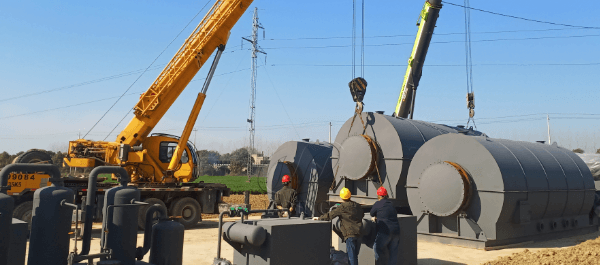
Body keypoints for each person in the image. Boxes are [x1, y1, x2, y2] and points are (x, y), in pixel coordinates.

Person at [313, 187, 363, 265]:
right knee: (354, 255)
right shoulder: (356, 205)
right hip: (359, 232)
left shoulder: (342, 207)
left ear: (341, 197)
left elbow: (330, 215)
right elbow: (362, 214)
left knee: (351, 256)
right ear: (350, 196)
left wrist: (319, 218)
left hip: (350, 234)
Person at [370, 187, 400, 265]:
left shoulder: (378, 203)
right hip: (396, 231)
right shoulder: (391, 204)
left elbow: (371, 213)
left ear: (378, 196)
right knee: (393, 253)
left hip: (385, 231)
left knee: (376, 248)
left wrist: (376, 217)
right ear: (386, 195)